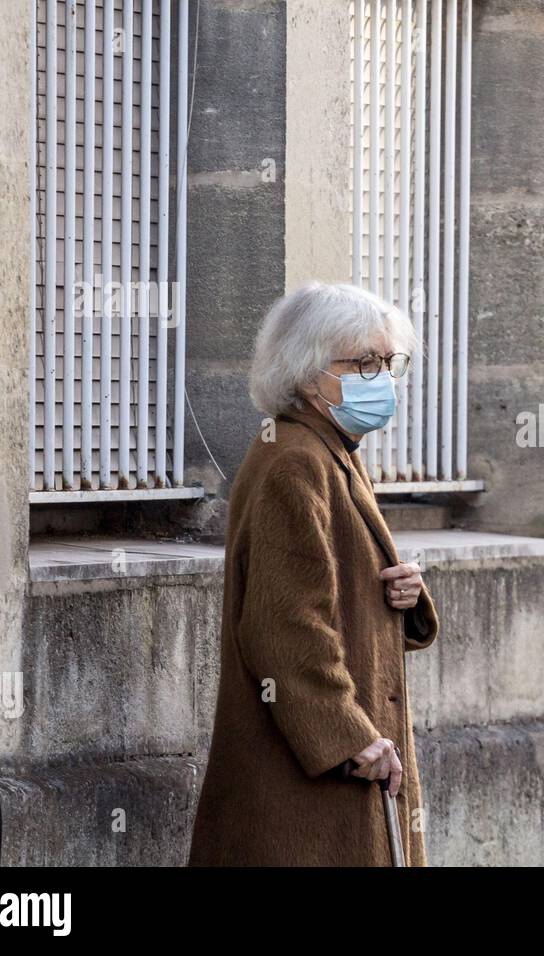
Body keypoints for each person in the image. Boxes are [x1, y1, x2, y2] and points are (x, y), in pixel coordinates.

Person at [188, 281, 439, 866]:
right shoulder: (296, 462)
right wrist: (350, 738)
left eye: (387, 361)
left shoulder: (333, 450)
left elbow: (335, 587)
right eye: (365, 362)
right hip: (309, 776)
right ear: (307, 373)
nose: (382, 377)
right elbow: (285, 625)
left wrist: (405, 594)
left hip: (340, 761)